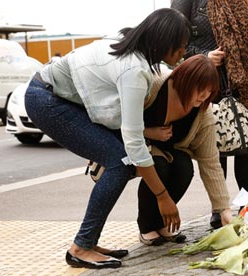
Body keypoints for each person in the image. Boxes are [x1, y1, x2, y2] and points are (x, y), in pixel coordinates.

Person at [24, 8, 191, 269]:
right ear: (163, 41)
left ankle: (88, 241)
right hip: (47, 99)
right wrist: (162, 196)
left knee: (120, 161)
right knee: (119, 161)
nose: (183, 53)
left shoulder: (128, 46)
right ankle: (81, 247)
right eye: (180, 47)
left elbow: (121, 121)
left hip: (57, 95)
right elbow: (134, 143)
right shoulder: (134, 69)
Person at [171, 0, 248, 229]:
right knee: (215, 145)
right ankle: (220, 209)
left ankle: (247, 205)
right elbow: (174, 41)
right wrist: (204, 55)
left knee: (246, 142)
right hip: (206, 79)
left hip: (239, 77)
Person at [137, 54, 233, 245]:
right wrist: (149, 132)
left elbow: (210, 162)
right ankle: (147, 226)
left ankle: (160, 223)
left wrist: (224, 210)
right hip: (140, 147)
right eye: (199, 89)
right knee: (159, 166)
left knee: (184, 168)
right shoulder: (156, 84)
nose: (203, 96)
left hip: (171, 151)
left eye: (208, 91)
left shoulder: (203, 114)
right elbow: (121, 120)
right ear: (185, 81)